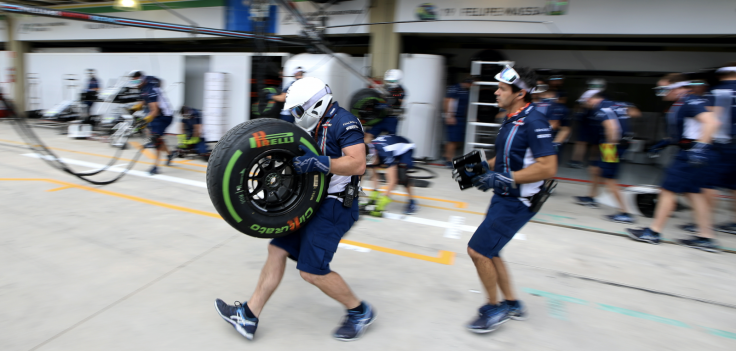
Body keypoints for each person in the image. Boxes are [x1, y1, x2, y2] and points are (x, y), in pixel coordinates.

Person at [214, 77, 375, 342]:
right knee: (277, 249)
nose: (296, 116)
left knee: (311, 271)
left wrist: (321, 163)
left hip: (337, 205)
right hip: (312, 199)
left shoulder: (345, 122)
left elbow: (357, 164)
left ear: (315, 106)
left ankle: (360, 311)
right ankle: (248, 316)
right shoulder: (314, 123)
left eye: (299, 110)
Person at [453, 66, 557, 334]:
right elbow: (506, 156)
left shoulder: (535, 122)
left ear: (520, 93)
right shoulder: (512, 118)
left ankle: (494, 307)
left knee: (478, 250)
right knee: (492, 249)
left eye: (502, 89)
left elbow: (548, 168)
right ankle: (512, 304)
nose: (496, 92)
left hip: (518, 201)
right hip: (504, 197)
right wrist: (476, 169)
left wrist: (505, 179)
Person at [626, 73, 720, 252]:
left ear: (677, 88)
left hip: (690, 154)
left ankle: (653, 232)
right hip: (689, 151)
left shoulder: (690, 101)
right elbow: (684, 131)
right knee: (694, 194)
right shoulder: (681, 103)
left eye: (663, 89)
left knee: (667, 191)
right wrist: (664, 143)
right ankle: (706, 237)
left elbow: (711, 123)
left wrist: (700, 148)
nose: (660, 93)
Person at [679, 65, 736, 236]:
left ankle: (705, 229)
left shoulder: (714, 92)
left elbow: (713, 120)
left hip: (719, 144)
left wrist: (702, 145)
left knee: (707, 185)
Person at [573, 91, 635, 223]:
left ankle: (625, 213)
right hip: (614, 145)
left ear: (590, 100)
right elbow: (635, 113)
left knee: (609, 180)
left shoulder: (601, 109)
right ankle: (592, 197)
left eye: (585, 102)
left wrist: (610, 147)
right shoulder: (616, 105)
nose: (584, 105)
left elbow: (612, 128)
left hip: (611, 146)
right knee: (595, 169)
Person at [131, 71, 175, 175]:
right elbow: (143, 101)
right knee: (157, 138)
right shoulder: (143, 87)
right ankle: (171, 154)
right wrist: (133, 108)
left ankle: (155, 166)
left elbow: (155, 110)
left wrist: (145, 120)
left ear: (142, 79)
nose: (135, 84)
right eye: (133, 82)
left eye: (137, 81)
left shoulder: (151, 89)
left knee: (156, 138)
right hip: (156, 116)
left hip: (165, 116)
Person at [366, 134, 418, 215]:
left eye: (372, 160)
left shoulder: (385, 153)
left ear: (376, 154)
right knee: (373, 166)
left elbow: (393, 181)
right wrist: (374, 193)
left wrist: (384, 199)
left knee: (401, 175)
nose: (371, 163)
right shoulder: (367, 151)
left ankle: (412, 202)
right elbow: (373, 175)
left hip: (405, 148)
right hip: (390, 148)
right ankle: (375, 195)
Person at [364, 69, 405, 143]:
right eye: (389, 81)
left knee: (391, 140)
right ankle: (364, 152)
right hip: (380, 117)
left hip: (391, 119)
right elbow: (379, 97)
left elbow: (398, 100)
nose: (390, 83)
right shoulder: (386, 88)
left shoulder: (400, 90)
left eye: (392, 81)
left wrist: (390, 96)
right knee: (368, 135)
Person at [444, 77, 473, 168]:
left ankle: (447, 156)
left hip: (461, 118)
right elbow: (448, 101)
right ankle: (448, 160)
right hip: (454, 117)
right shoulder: (456, 88)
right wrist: (450, 115)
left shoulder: (466, 90)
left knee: (456, 140)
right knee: (453, 140)